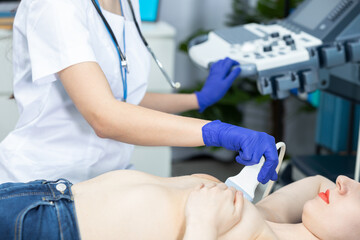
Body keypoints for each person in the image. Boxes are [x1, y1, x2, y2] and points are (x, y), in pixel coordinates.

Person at [0, 0, 278, 184]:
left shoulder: (127, 3)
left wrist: (198, 99)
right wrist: (218, 133)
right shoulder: (57, 5)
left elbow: (123, 99)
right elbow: (104, 115)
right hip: (43, 184)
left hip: (105, 179)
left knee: (204, 190)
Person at [1, 170, 359, 239]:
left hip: (50, 229)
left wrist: (201, 221)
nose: (345, 182)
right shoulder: (276, 222)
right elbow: (320, 181)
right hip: (42, 197)